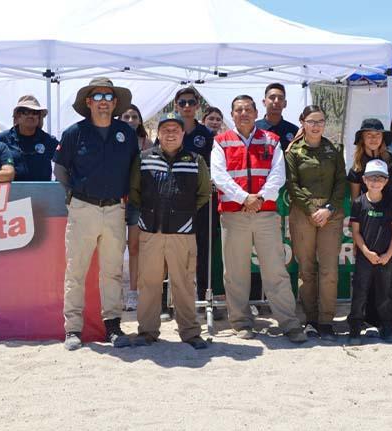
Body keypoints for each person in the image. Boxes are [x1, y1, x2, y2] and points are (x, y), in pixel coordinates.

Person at [210, 94, 307, 343]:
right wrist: (244, 198)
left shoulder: (272, 140)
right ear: (232, 115)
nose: (243, 113)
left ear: (255, 113)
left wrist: (260, 199)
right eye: (238, 110)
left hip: (266, 214)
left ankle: (289, 323)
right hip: (234, 215)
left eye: (248, 109)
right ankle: (241, 322)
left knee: (276, 270)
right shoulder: (221, 141)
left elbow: (278, 175)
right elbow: (219, 176)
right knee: (235, 272)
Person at [53, 77, 139, 351]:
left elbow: (133, 170)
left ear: (115, 103)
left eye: (108, 97)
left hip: (115, 209)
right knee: (76, 270)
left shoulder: (126, 134)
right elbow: (60, 168)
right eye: (98, 97)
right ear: (89, 102)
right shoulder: (74, 133)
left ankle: (112, 326)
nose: (104, 102)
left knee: (112, 271)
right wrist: (73, 195)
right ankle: (73, 329)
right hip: (83, 208)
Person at [128, 112, 211, 349]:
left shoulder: (195, 160)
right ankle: (147, 331)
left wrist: (183, 213)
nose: (171, 134)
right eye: (166, 129)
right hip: (150, 232)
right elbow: (135, 192)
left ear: (183, 133)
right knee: (149, 283)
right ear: (158, 133)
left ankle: (190, 332)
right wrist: (149, 214)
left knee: (184, 284)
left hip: (182, 233)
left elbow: (203, 193)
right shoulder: (143, 159)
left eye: (176, 129)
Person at [285, 105, 346, 341]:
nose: (316, 126)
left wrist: (328, 209)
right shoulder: (293, 151)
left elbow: (340, 182)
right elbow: (292, 184)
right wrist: (311, 210)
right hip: (303, 213)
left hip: (331, 214)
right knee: (306, 269)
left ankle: (326, 321)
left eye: (320, 121)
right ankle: (310, 319)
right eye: (311, 121)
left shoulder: (334, 149)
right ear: (302, 122)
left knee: (329, 269)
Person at [172, 87, 221, 321]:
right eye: (182, 102)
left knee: (203, 250)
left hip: (203, 202)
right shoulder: (170, 130)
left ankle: (204, 297)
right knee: (175, 251)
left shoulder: (207, 134)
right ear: (176, 105)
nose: (187, 106)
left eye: (191, 102)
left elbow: (216, 166)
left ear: (197, 105)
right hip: (175, 201)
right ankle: (172, 301)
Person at [348, 159, 392, 345]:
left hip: (385, 257)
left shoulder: (391, 203)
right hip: (365, 257)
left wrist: (388, 254)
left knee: (385, 294)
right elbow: (356, 232)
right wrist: (366, 252)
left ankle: (387, 328)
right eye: (371, 178)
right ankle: (355, 330)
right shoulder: (358, 203)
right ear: (364, 180)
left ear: (386, 181)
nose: (375, 182)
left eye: (380, 178)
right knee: (360, 292)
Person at [119, 104, 153, 312]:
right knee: (114, 249)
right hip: (114, 199)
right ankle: (115, 293)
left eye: (134, 116)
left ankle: (133, 292)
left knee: (134, 248)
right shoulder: (113, 139)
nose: (130, 120)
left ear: (140, 120)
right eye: (126, 116)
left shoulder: (147, 143)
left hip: (136, 201)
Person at [0, 95, 58, 181]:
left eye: (35, 112)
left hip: (42, 189)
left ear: (39, 117)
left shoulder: (49, 140)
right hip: (11, 189)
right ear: (17, 116)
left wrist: (58, 185)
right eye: (25, 112)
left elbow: (65, 163)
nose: (30, 115)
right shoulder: (1, 139)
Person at [347, 118, 392, 201]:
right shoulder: (357, 168)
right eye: (369, 135)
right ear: (362, 138)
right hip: (369, 209)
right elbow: (355, 200)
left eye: (378, 134)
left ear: (382, 137)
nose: (374, 138)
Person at [255, 82, 299, 150]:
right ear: (264, 102)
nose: (276, 101)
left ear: (285, 103)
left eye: (280, 98)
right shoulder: (254, 128)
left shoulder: (294, 130)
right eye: (272, 98)